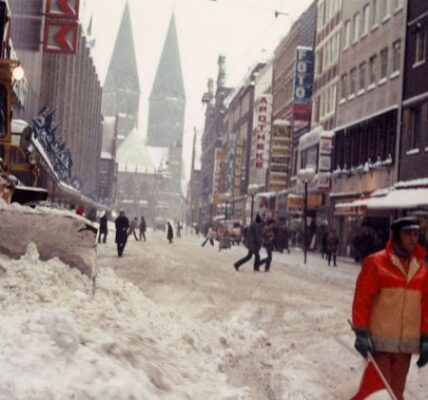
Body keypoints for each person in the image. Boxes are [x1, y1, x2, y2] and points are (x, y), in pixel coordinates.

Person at [351, 216, 428, 400]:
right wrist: (361, 332)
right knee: (380, 394)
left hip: (405, 347)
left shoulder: (422, 269)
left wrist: (426, 337)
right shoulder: (375, 263)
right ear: (396, 236)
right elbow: (362, 301)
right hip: (380, 345)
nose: (412, 238)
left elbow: (426, 306)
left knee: (395, 395)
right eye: (407, 233)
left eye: (416, 234)